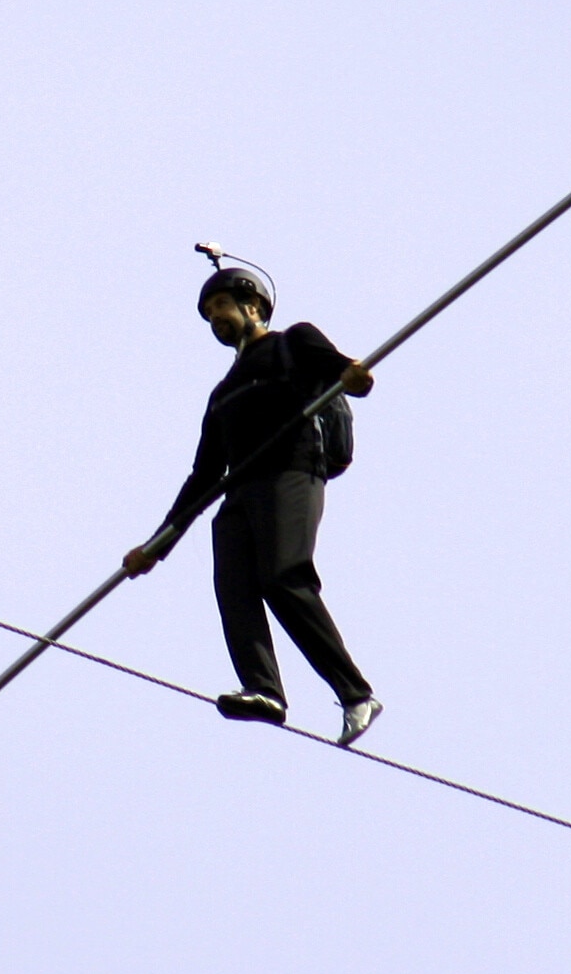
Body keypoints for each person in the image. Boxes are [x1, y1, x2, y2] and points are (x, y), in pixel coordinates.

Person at [122, 264, 385, 745]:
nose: (215, 318)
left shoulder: (293, 342)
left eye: (221, 306)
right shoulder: (222, 395)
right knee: (235, 587)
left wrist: (354, 379)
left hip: (290, 472)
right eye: (208, 314)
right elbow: (202, 478)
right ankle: (264, 690)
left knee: (283, 577)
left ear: (253, 306)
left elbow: (344, 372)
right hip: (240, 495)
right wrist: (155, 547)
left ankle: (355, 694)